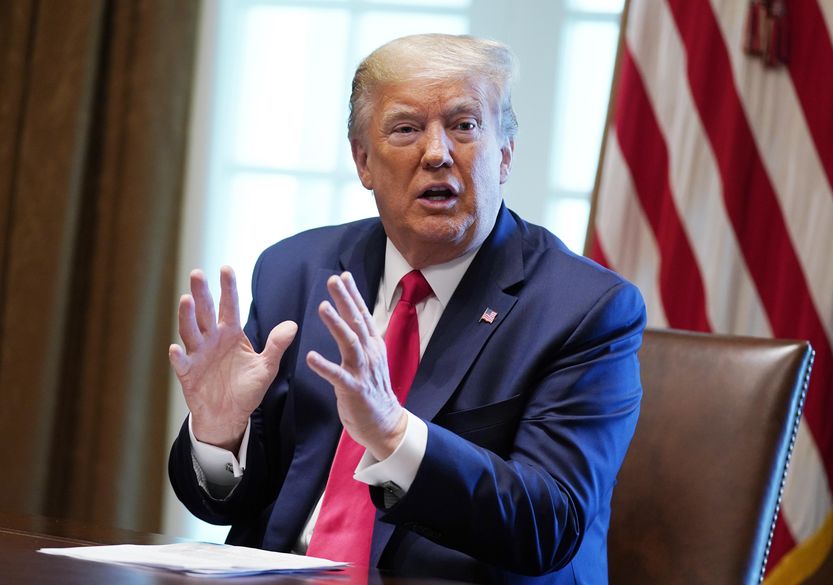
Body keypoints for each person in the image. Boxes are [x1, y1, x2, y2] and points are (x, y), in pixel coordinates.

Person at [168, 33, 645, 584]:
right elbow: (227, 506)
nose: (437, 153)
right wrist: (220, 437)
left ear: (505, 154)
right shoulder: (296, 270)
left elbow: (549, 527)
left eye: (465, 126)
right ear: (364, 161)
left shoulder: (585, 309)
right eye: (406, 129)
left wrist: (395, 434)